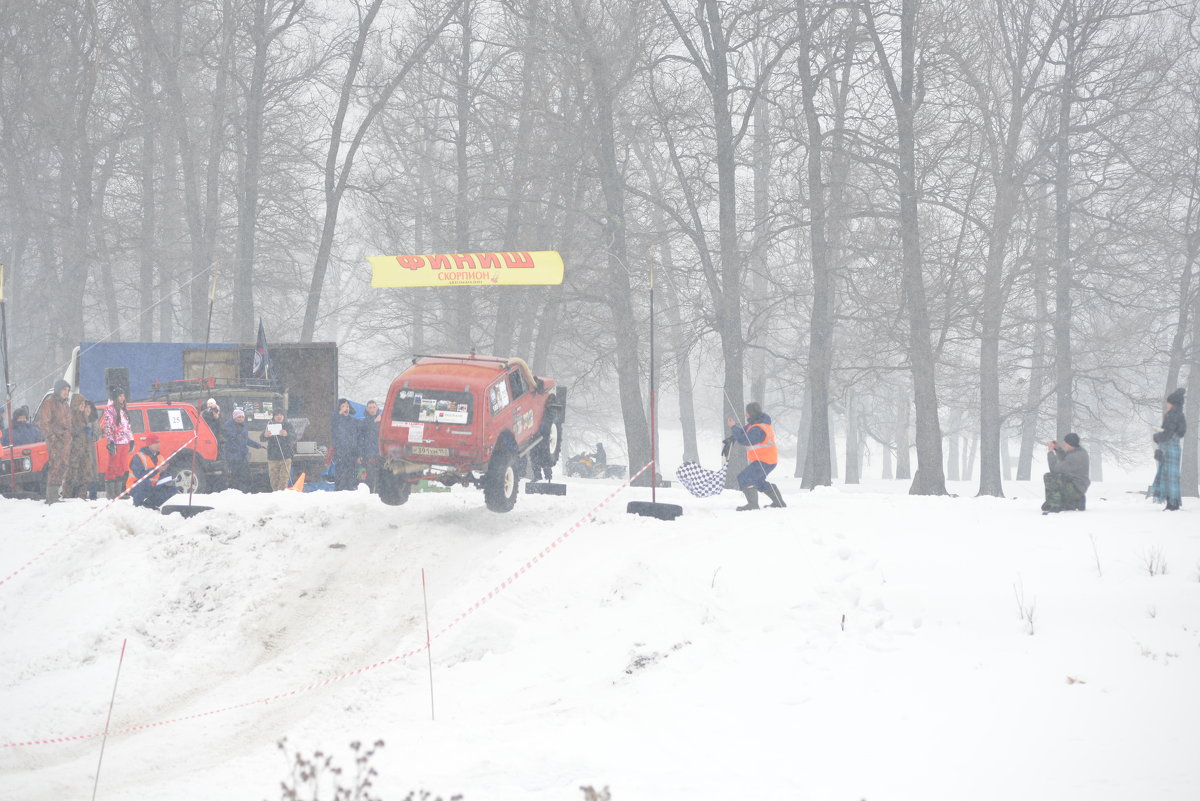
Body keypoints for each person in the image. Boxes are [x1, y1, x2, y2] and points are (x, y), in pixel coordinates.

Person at [726, 402, 786, 511]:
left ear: (752, 413)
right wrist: (732, 434)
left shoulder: (758, 428)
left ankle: (753, 505)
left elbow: (745, 440)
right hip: (767, 460)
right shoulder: (755, 424)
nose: (745, 415)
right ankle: (779, 502)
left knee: (744, 478)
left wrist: (733, 427)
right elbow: (743, 433)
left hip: (764, 460)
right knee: (758, 482)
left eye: (747, 412)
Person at [38, 379, 74, 504]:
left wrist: (69, 436)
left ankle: (56, 494)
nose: (66, 392)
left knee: (63, 466)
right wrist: (52, 437)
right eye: (64, 390)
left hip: (65, 441)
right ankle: (51, 496)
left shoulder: (65, 405)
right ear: (58, 390)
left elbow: (69, 423)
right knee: (55, 466)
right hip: (55, 441)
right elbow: (43, 422)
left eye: (68, 390)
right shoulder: (49, 403)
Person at [1150, 388, 1186, 511]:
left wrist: (1157, 437)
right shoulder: (1180, 415)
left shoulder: (1173, 415)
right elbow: (1180, 432)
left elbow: (1168, 433)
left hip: (1169, 448)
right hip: (1175, 448)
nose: (1167, 404)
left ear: (1174, 403)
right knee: (1173, 476)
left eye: (1168, 402)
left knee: (1168, 476)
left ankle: (1172, 504)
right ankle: (1173, 502)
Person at [63, 394, 100, 499]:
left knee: (84, 478)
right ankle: (68, 498)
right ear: (76, 404)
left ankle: (81, 498)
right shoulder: (70, 417)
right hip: (73, 453)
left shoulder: (85, 417)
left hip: (85, 452)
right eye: (81, 403)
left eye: (84, 404)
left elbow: (95, 435)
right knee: (71, 477)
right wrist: (78, 431)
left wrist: (89, 432)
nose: (83, 406)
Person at [1042, 433, 1090, 513]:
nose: (1064, 444)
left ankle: (1056, 504)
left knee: (1049, 477)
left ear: (1071, 444)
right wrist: (1057, 449)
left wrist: (1050, 452)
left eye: (1065, 443)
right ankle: (1076, 501)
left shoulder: (1074, 457)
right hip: (1079, 486)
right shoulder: (1080, 451)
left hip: (1075, 488)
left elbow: (1054, 469)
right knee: (1060, 478)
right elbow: (1065, 459)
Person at [100, 387, 134, 499]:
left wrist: (131, 439)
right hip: (116, 443)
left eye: (123, 395)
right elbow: (108, 427)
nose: (122, 398)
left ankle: (119, 492)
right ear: (115, 397)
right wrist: (110, 442)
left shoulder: (123, 409)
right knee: (112, 467)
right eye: (120, 396)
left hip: (125, 442)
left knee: (122, 467)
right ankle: (111, 493)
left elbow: (127, 427)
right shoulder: (109, 410)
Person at [127, 434, 177, 509]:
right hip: (136, 486)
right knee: (145, 482)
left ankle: (150, 504)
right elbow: (140, 475)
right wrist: (157, 470)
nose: (158, 445)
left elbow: (163, 473)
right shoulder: (138, 457)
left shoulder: (160, 457)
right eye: (155, 443)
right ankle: (137, 505)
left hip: (153, 486)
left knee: (172, 488)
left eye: (159, 442)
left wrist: (167, 480)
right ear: (149, 444)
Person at [223, 408, 264, 492]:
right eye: (239, 417)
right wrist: (235, 436)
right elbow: (230, 436)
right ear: (234, 417)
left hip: (242, 454)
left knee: (246, 475)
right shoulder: (228, 425)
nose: (241, 419)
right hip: (232, 455)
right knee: (235, 475)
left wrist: (257, 445)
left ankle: (244, 490)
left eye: (242, 417)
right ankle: (235, 490)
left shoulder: (244, 426)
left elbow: (246, 440)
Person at [330, 398, 362, 491]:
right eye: (343, 406)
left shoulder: (354, 421)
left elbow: (359, 438)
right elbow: (333, 420)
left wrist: (359, 454)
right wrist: (340, 413)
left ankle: (349, 493)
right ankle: (339, 493)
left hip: (352, 453)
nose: (346, 408)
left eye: (347, 406)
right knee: (340, 476)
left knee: (351, 477)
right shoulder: (336, 419)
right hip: (340, 453)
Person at [259, 407, 295, 491]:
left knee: (284, 479)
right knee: (274, 480)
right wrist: (265, 435)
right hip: (273, 457)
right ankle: (276, 496)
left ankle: (281, 497)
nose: (279, 417)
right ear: (273, 416)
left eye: (281, 415)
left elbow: (294, 437)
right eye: (277, 415)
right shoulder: (270, 425)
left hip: (285, 456)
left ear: (284, 416)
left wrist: (287, 434)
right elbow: (261, 438)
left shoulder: (288, 425)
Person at [358, 399, 382, 492]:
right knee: (370, 480)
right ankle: (370, 498)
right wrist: (360, 454)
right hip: (368, 455)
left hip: (381, 455)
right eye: (370, 407)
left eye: (374, 407)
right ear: (367, 409)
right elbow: (360, 439)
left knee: (381, 479)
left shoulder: (382, 421)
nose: (372, 409)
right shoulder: (363, 422)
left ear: (377, 408)